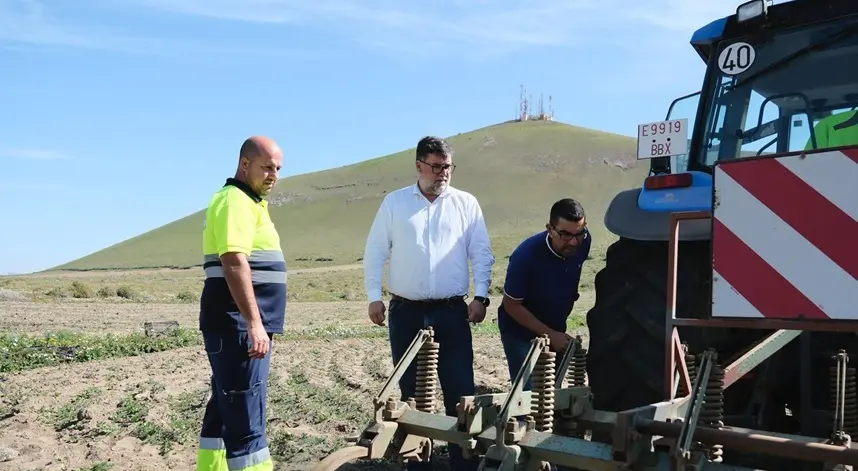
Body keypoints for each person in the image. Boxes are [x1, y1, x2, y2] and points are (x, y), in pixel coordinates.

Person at [363, 136, 495, 471]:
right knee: (409, 395)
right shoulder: (395, 204)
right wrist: (374, 297)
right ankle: (417, 464)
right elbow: (376, 251)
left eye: (447, 167)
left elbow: (481, 252)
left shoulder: (466, 204)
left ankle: (462, 464)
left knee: (460, 391)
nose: (442, 174)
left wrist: (480, 296)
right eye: (436, 166)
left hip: (451, 311)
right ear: (419, 165)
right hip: (405, 311)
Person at [196, 136, 286, 471]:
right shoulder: (236, 201)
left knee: (224, 409)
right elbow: (234, 261)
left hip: (234, 326)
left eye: (278, 168)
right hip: (238, 327)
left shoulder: (245, 201)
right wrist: (254, 322)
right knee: (247, 420)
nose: (273, 175)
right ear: (245, 164)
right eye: (267, 167)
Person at [497, 198, 591, 390]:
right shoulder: (526, 256)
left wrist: (555, 334)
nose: (574, 242)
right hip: (520, 332)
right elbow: (511, 305)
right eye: (565, 235)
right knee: (530, 397)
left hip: (555, 325)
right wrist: (551, 335)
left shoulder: (584, 242)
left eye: (579, 233)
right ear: (550, 228)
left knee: (549, 393)